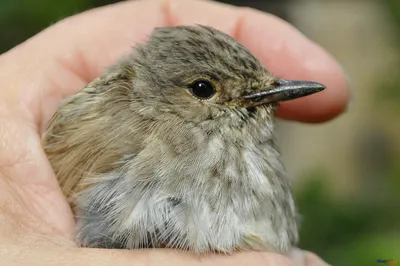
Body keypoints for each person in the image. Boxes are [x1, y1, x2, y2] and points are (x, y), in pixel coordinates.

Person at [0, 0, 349, 265]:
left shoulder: (255, 147)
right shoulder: (122, 125)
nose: (249, 100)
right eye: (203, 89)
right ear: (161, 91)